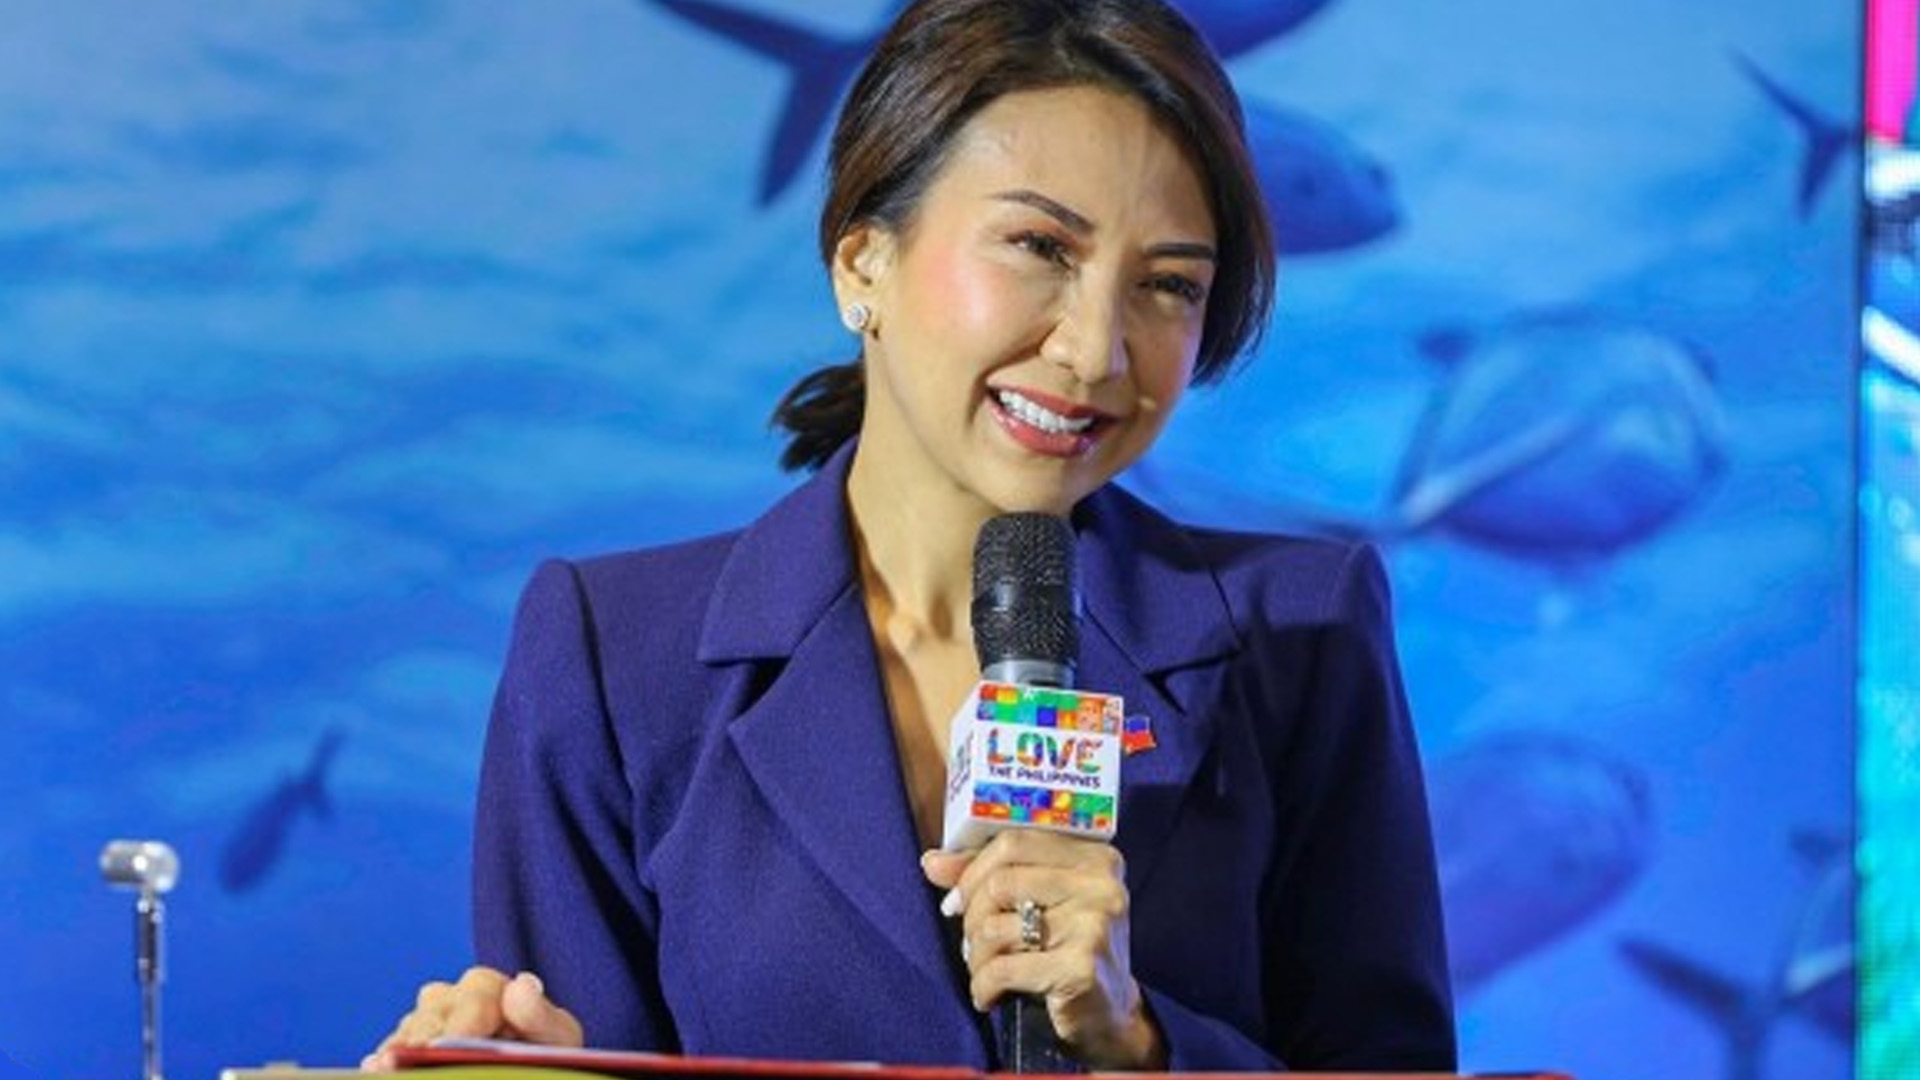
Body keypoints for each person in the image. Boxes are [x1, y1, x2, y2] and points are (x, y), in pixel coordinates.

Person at [366, 0, 1455, 1071]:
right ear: (861, 262)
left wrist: (1142, 1043)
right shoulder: (612, 656)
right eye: (1040, 246)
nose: (1095, 351)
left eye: (1168, 285)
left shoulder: (1301, 631)